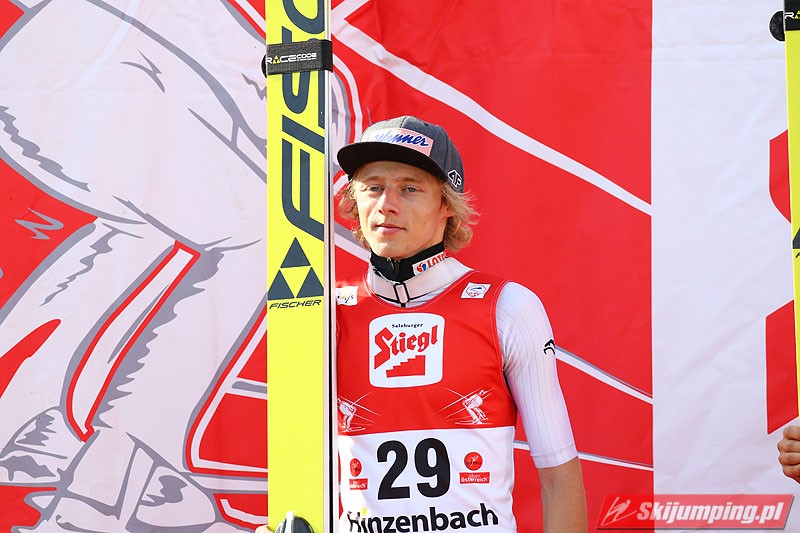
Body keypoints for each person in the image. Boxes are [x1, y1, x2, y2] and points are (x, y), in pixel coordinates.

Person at [333, 115, 587, 532]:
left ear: (447, 204)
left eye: (410, 188)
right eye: (373, 187)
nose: (386, 204)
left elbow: (559, 476)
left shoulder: (507, 307)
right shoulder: (326, 316)